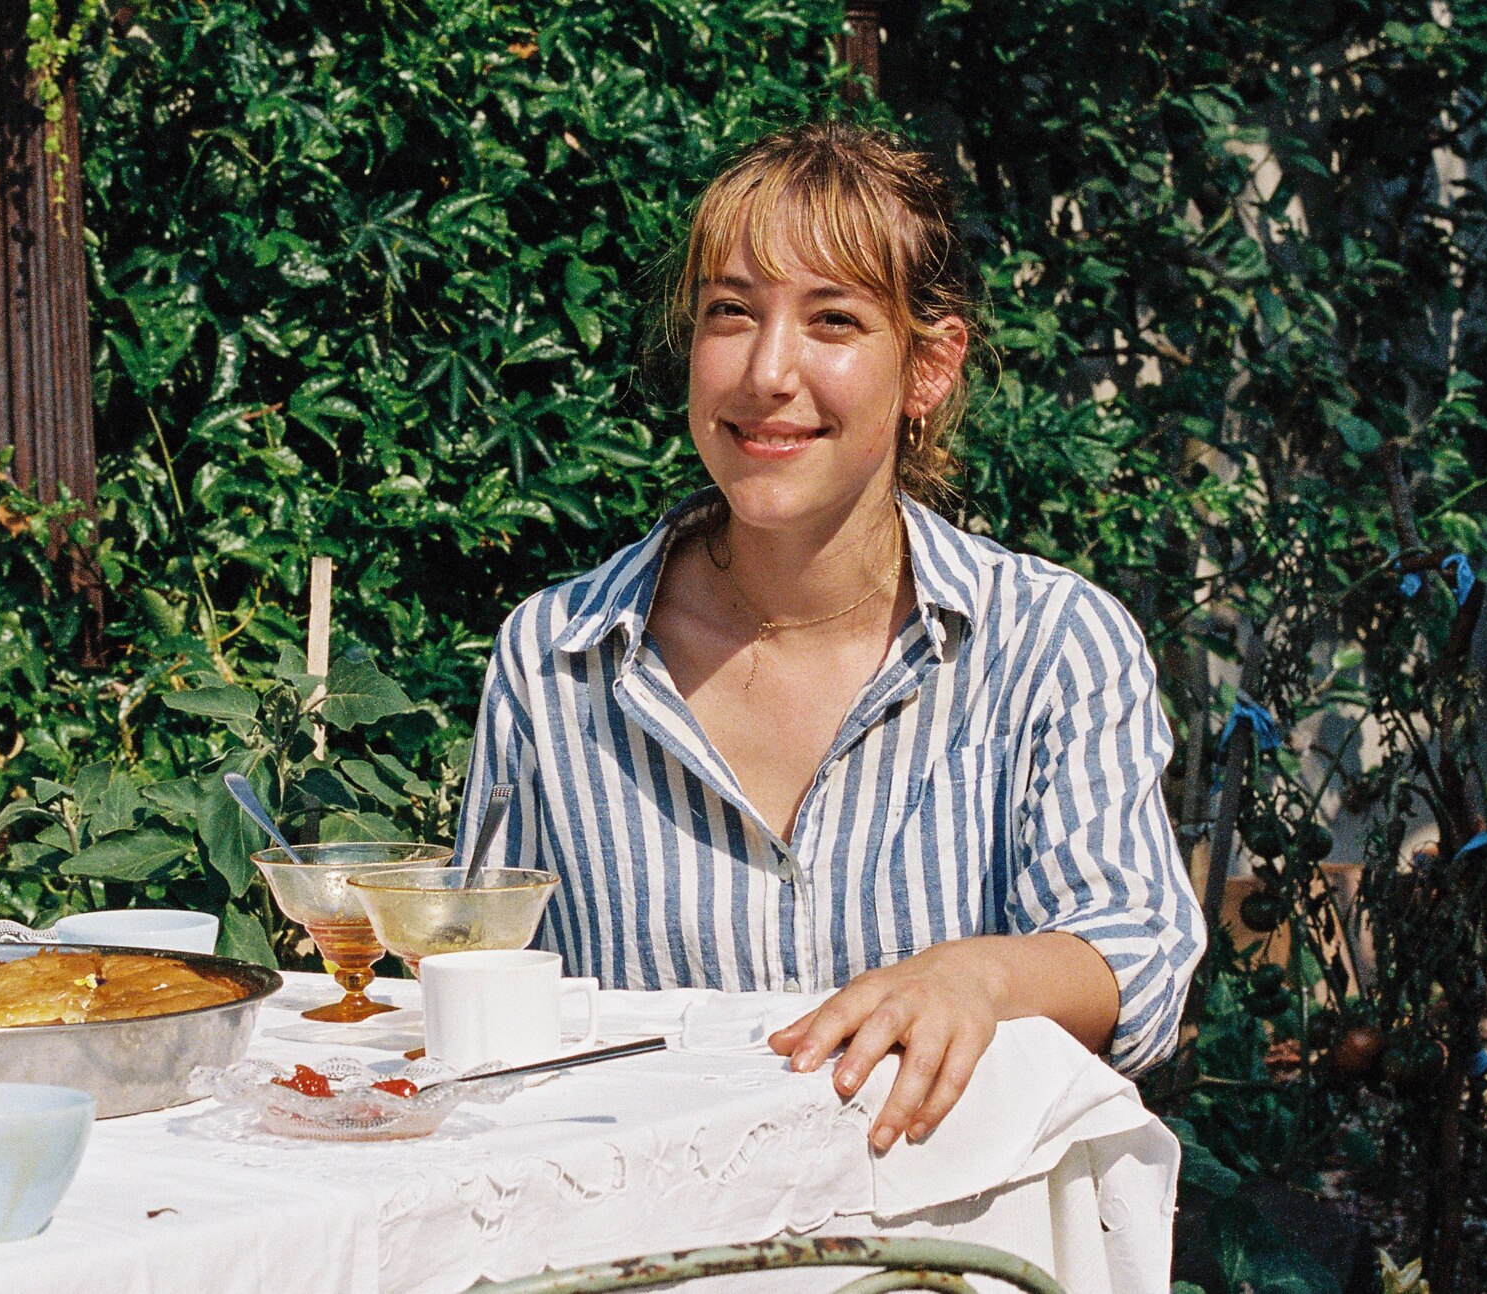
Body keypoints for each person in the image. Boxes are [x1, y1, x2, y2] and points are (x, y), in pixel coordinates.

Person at [457, 121, 1206, 1151]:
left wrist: (972, 975)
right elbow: (480, 995)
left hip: (930, 1245)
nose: (767, 371)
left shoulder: (1049, 644)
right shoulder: (553, 656)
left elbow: (1134, 953)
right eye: (730, 313)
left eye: (832, 320)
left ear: (928, 367)